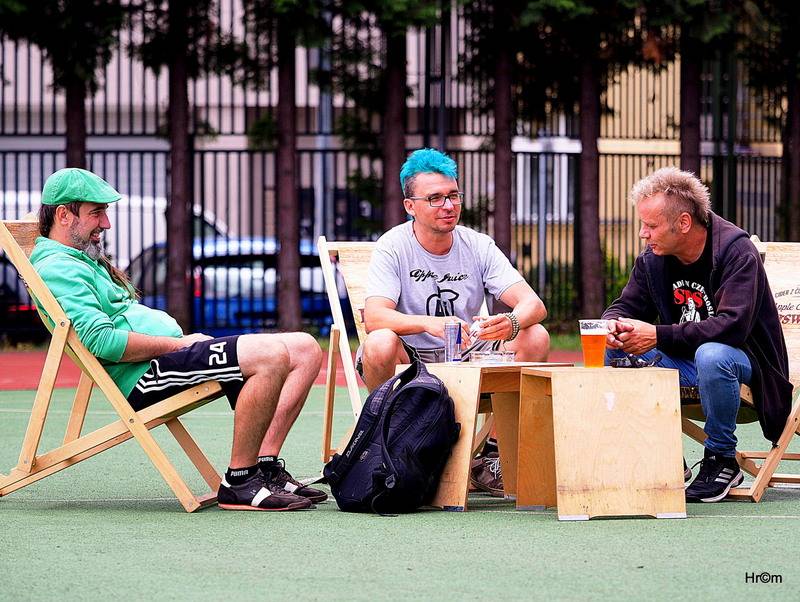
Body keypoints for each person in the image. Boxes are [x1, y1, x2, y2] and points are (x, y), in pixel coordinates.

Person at [31, 168, 326, 512]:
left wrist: (181, 344)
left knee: (305, 348)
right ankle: (240, 481)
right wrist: (180, 344)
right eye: (96, 213)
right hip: (143, 375)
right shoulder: (60, 267)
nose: (106, 224)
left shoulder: (81, 257)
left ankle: (264, 466)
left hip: (166, 360)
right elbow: (102, 341)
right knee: (270, 354)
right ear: (63, 215)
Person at [359, 148, 550, 495]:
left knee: (534, 335)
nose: (448, 206)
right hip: (412, 359)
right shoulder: (393, 246)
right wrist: (428, 324)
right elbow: (375, 316)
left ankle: (491, 454)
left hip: (468, 355)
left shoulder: (477, 244)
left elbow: (533, 305)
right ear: (410, 206)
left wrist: (509, 321)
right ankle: (390, 444)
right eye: (435, 198)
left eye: (453, 195)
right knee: (379, 341)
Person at [603, 166, 792, 503]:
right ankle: (665, 456)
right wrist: (612, 326)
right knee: (618, 348)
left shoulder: (735, 252)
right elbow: (624, 307)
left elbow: (732, 327)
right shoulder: (652, 260)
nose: (643, 234)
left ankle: (721, 459)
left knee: (712, 353)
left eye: (651, 226)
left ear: (684, 223)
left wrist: (658, 335)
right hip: (687, 362)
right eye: (642, 225)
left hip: (747, 367)